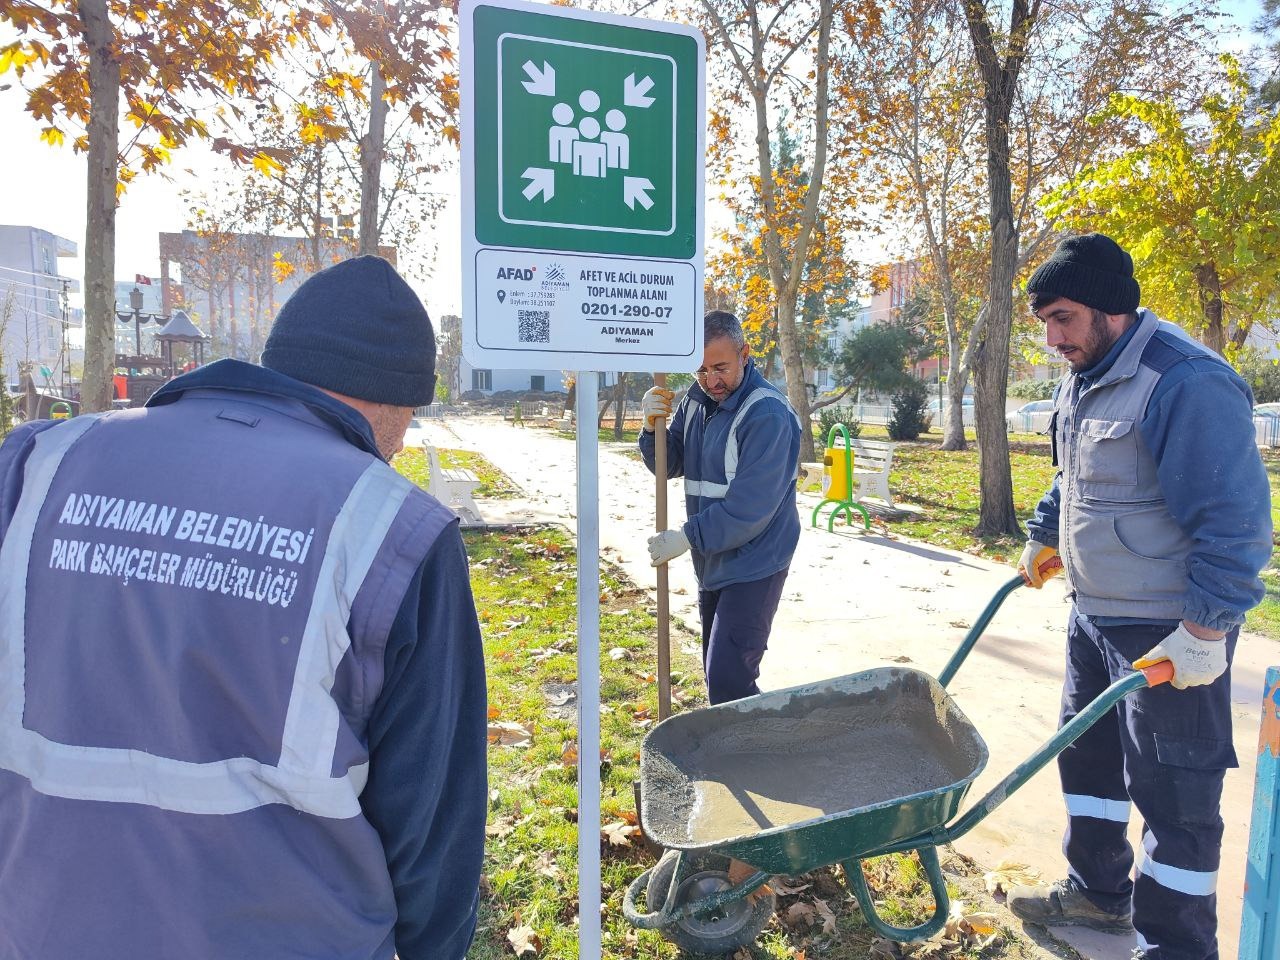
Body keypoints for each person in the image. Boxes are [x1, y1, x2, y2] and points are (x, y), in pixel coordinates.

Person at [0, 256, 487, 960]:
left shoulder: (37, 464)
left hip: (40, 926)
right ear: (394, 401)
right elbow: (432, 823)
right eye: (409, 422)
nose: (402, 447)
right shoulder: (390, 528)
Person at [1009, 234, 1271, 960]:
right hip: (1094, 618)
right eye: (1044, 323)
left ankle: (1178, 948)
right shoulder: (1088, 369)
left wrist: (1205, 630)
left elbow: (1237, 524)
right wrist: (1043, 535)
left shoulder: (1184, 382)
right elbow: (1076, 474)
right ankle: (1097, 895)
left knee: (1176, 802)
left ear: (1108, 309)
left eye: (1062, 318)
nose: (1052, 338)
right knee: (1087, 765)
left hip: (1168, 634)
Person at [639, 310, 801, 704]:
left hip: (755, 563)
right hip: (713, 562)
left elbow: (749, 509)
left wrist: (687, 536)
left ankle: (747, 760)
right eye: (701, 370)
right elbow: (669, 463)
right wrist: (650, 427)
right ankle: (734, 755)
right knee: (718, 675)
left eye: (721, 368)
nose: (711, 380)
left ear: (745, 353)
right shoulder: (696, 402)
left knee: (729, 677)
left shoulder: (767, 415)